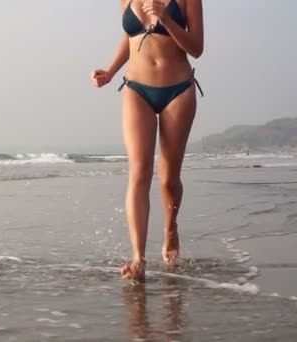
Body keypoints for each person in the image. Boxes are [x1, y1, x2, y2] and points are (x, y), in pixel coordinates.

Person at [91, 0, 204, 282]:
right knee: (139, 173)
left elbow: (197, 48)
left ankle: (170, 227)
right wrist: (110, 71)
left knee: (168, 180)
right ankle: (138, 259)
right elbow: (130, 38)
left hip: (178, 90)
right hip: (136, 88)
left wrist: (166, 18)